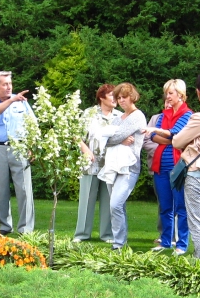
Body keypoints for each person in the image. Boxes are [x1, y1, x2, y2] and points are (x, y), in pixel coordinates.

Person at [162, 72, 200, 264]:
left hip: (198, 175)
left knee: (197, 224)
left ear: (198, 92)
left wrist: (189, 143)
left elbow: (177, 140)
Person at [0, 71, 35, 234]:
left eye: (10, 84)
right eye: (4, 84)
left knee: (24, 189)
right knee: (2, 189)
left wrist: (31, 145)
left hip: (19, 148)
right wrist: (12, 99)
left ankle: (26, 229)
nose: (8, 87)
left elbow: (33, 124)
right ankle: (5, 226)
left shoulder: (22, 103)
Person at [146, 79, 193, 253]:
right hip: (161, 166)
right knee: (165, 206)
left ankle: (181, 244)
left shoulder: (188, 114)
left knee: (181, 207)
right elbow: (154, 137)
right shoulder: (164, 114)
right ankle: (166, 242)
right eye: (166, 93)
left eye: (171, 93)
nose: (168, 96)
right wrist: (168, 138)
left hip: (178, 166)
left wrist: (165, 136)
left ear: (180, 94)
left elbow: (176, 135)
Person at [74, 84, 121, 242]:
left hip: (111, 164)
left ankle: (107, 235)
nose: (115, 98)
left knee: (109, 200)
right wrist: (86, 150)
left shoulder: (120, 116)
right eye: (111, 95)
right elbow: (76, 135)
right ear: (101, 97)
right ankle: (81, 234)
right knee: (87, 199)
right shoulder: (89, 113)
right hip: (91, 164)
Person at [102, 83, 146, 251]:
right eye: (118, 97)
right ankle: (119, 242)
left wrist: (116, 138)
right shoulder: (116, 118)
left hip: (129, 167)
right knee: (117, 206)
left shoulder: (137, 116)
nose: (121, 100)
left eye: (124, 97)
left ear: (132, 97)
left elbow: (113, 136)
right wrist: (120, 139)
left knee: (115, 204)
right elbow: (104, 140)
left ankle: (119, 244)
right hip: (113, 166)